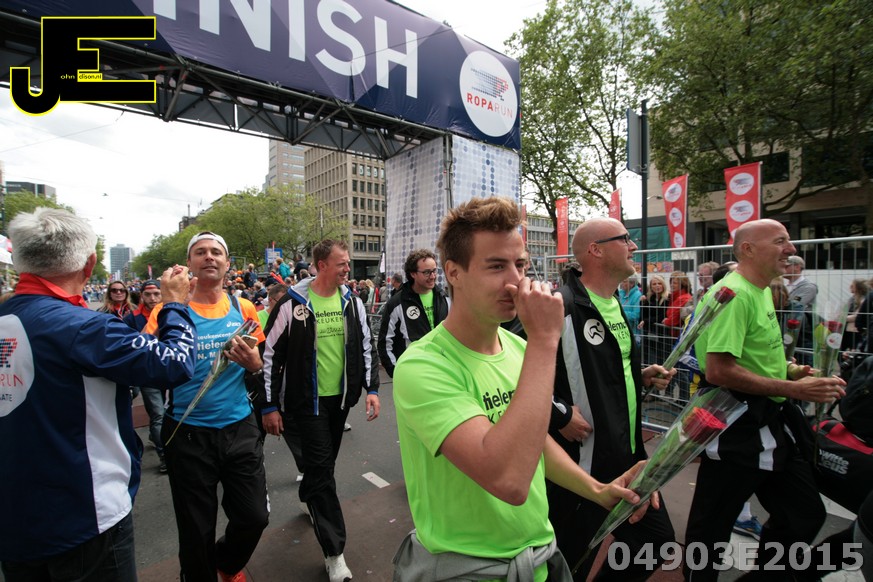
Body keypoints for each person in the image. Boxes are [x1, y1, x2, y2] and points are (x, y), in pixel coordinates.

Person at [391, 197, 651, 581]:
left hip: (540, 558)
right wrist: (545, 341)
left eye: (521, 265)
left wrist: (597, 490)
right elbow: (509, 481)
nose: (515, 281)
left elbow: (534, 440)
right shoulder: (422, 366)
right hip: (469, 570)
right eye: (497, 266)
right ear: (454, 273)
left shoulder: (516, 347)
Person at [0, 208, 196, 581]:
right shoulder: (85, 328)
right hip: (85, 515)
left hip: (14, 521)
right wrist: (173, 305)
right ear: (89, 264)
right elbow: (174, 363)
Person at [684, 218, 846, 581]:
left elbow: (750, 354)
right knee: (710, 532)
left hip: (771, 423)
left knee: (804, 514)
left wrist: (790, 370)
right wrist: (795, 389)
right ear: (748, 249)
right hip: (737, 427)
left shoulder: (759, 289)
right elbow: (719, 370)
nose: (791, 249)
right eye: (780, 241)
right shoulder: (734, 294)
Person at [549, 218, 675, 581]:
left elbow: (600, 369)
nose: (634, 246)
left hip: (629, 456)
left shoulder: (614, 302)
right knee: (567, 565)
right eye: (625, 239)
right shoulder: (560, 305)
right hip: (583, 466)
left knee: (656, 542)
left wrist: (639, 375)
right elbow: (512, 372)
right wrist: (558, 414)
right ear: (596, 250)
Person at [146, 231, 269, 582]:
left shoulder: (243, 307)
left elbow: (258, 361)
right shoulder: (168, 311)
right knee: (196, 528)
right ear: (189, 263)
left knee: (254, 517)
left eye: (216, 252)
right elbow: (149, 363)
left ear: (228, 264)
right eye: (200, 252)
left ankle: (226, 564)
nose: (209, 257)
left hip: (239, 427)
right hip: (187, 432)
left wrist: (255, 366)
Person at [261, 239, 380, 582]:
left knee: (321, 467)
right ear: (322, 265)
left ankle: (307, 492)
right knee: (323, 472)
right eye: (342, 263)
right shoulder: (292, 303)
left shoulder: (351, 301)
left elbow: (365, 344)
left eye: (348, 263)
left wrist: (371, 388)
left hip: (339, 401)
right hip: (306, 403)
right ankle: (334, 552)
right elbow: (269, 356)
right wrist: (269, 405)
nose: (348, 268)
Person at [377, 248, 451, 377]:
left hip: (443, 374)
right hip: (413, 376)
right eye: (427, 272)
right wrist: (398, 374)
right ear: (413, 274)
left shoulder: (445, 299)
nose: (432, 276)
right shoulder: (397, 303)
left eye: (434, 271)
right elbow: (385, 344)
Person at [123, 278, 169, 473]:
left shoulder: (172, 312)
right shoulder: (131, 318)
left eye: (156, 294)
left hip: (170, 371)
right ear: (141, 296)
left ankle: (163, 441)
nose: (152, 298)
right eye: (148, 294)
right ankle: (165, 456)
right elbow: (128, 347)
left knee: (169, 413)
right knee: (158, 414)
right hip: (148, 375)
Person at [638, 274, 671, 365]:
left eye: (659, 283)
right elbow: (642, 316)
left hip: (663, 334)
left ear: (663, 285)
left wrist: (646, 321)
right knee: (649, 358)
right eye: (654, 284)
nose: (657, 286)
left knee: (662, 359)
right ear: (651, 286)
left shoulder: (668, 298)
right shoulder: (649, 298)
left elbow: (662, 316)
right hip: (650, 333)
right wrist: (642, 303)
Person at [661, 271, 692, 336]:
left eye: (675, 283)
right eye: (671, 282)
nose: (671, 285)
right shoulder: (675, 297)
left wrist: (666, 321)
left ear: (682, 285)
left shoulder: (683, 298)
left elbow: (673, 320)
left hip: (678, 335)